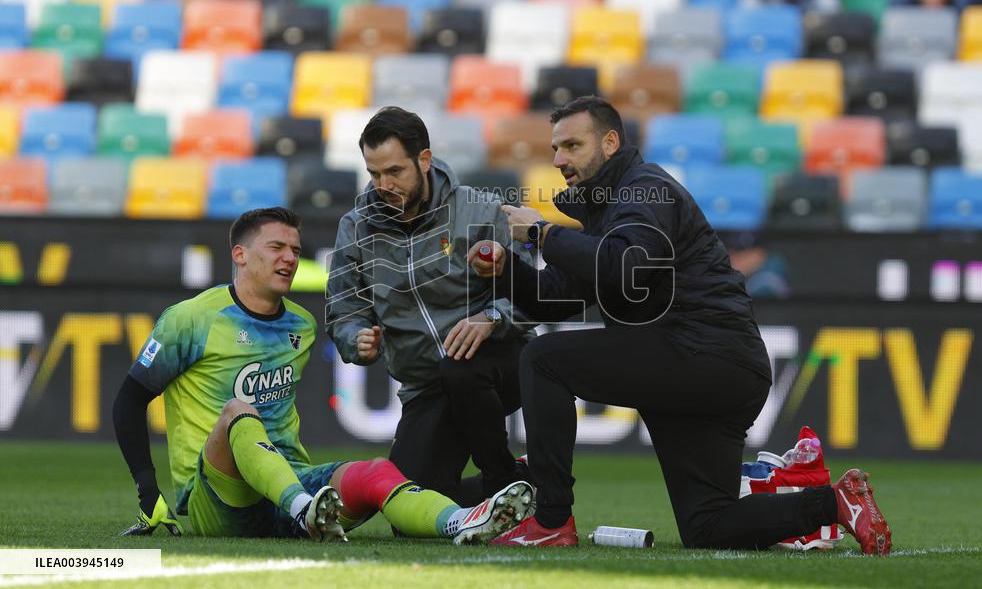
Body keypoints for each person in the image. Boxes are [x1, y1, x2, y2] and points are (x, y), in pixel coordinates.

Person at [467, 96, 891, 554]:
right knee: (709, 526)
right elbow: (553, 299)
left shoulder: (645, 190)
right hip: (707, 367)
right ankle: (836, 504)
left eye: (571, 145)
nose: (558, 160)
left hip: (705, 352)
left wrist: (541, 233)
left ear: (610, 142)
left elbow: (626, 267)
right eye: (555, 148)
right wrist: (505, 269)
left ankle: (551, 519)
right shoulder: (606, 210)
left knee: (543, 359)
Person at [113, 207, 533, 542]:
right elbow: (129, 400)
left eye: (295, 250)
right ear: (239, 254)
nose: (289, 258)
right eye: (276, 247)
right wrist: (149, 492)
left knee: (374, 472)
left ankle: (462, 521)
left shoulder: (301, 325)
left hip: (290, 479)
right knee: (239, 411)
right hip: (219, 497)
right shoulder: (189, 319)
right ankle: (303, 510)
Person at [327, 107, 534, 507]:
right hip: (426, 387)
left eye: (394, 171)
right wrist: (356, 339)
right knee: (412, 506)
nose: (383, 184)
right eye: (374, 174)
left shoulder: (479, 210)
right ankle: (525, 482)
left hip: (498, 365)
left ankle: (501, 475)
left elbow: (535, 295)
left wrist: (491, 318)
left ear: (424, 160)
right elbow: (344, 309)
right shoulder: (355, 227)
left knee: (460, 367)